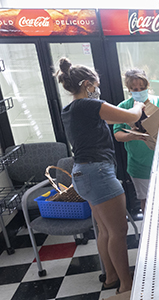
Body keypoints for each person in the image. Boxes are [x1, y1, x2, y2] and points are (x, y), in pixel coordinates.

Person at [56, 58, 145, 294]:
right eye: (95, 85)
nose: (97, 89)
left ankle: (111, 278)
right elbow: (132, 116)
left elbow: (111, 119)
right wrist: (138, 104)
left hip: (83, 173)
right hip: (98, 173)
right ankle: (126, 287)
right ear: (87, 84)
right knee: (118, 231)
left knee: (105, 231)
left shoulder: (71, 109)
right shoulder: (87, 105)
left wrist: (128, 118)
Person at [113, 69, 159, 213]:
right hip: (139, 165)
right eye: (135, 89)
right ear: (129, 89)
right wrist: (131, 136)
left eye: (142, 88)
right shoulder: (124, 107)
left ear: (148, 86)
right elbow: (117, 133)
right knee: (146, 201)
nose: (139, 91)